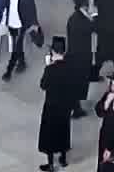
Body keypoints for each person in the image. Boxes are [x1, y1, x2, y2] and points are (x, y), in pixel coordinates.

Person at [38, 40, 74, 171]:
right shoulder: (71, 67)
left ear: (53, 52)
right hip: (65, 106)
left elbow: (43, 85)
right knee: (63, 130)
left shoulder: (50, 69)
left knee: (49, 134)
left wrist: (47, 66)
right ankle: (63, 158)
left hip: (52, 106)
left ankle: (50, 164)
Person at [62, 0, 94, 108]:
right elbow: (94, 27)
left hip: (75, 54)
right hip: (81, 57)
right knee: (79, 82)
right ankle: (76, 107)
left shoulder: (74, 18)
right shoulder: (81, 21)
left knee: (77, 81)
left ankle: (75, 106)